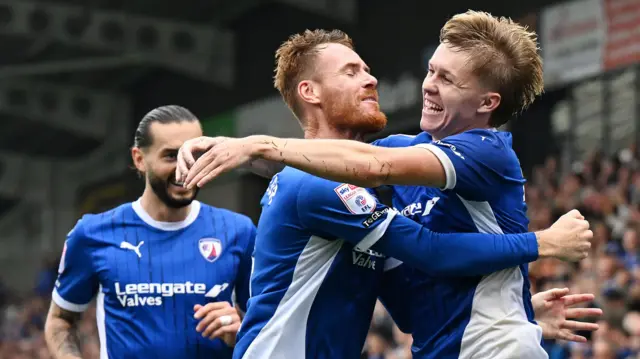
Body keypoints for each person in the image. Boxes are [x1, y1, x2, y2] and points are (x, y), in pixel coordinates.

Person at [176, 27, 598, 359]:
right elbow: (427, 247)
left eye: (366, 68)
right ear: (310, 92)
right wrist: (539, 244)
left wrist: (515, 310)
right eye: (351, 72)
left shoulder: (430, 159)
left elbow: (410, 305)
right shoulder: (316, 184)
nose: (371, 78)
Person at [43, 105, 255, 359]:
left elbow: (268, 325)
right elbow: (60, 320)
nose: (185, 166)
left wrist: (241, 331)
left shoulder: (238, 232)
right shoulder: (93, 234)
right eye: (170, 156)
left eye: (195, 154)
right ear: (139, 159)